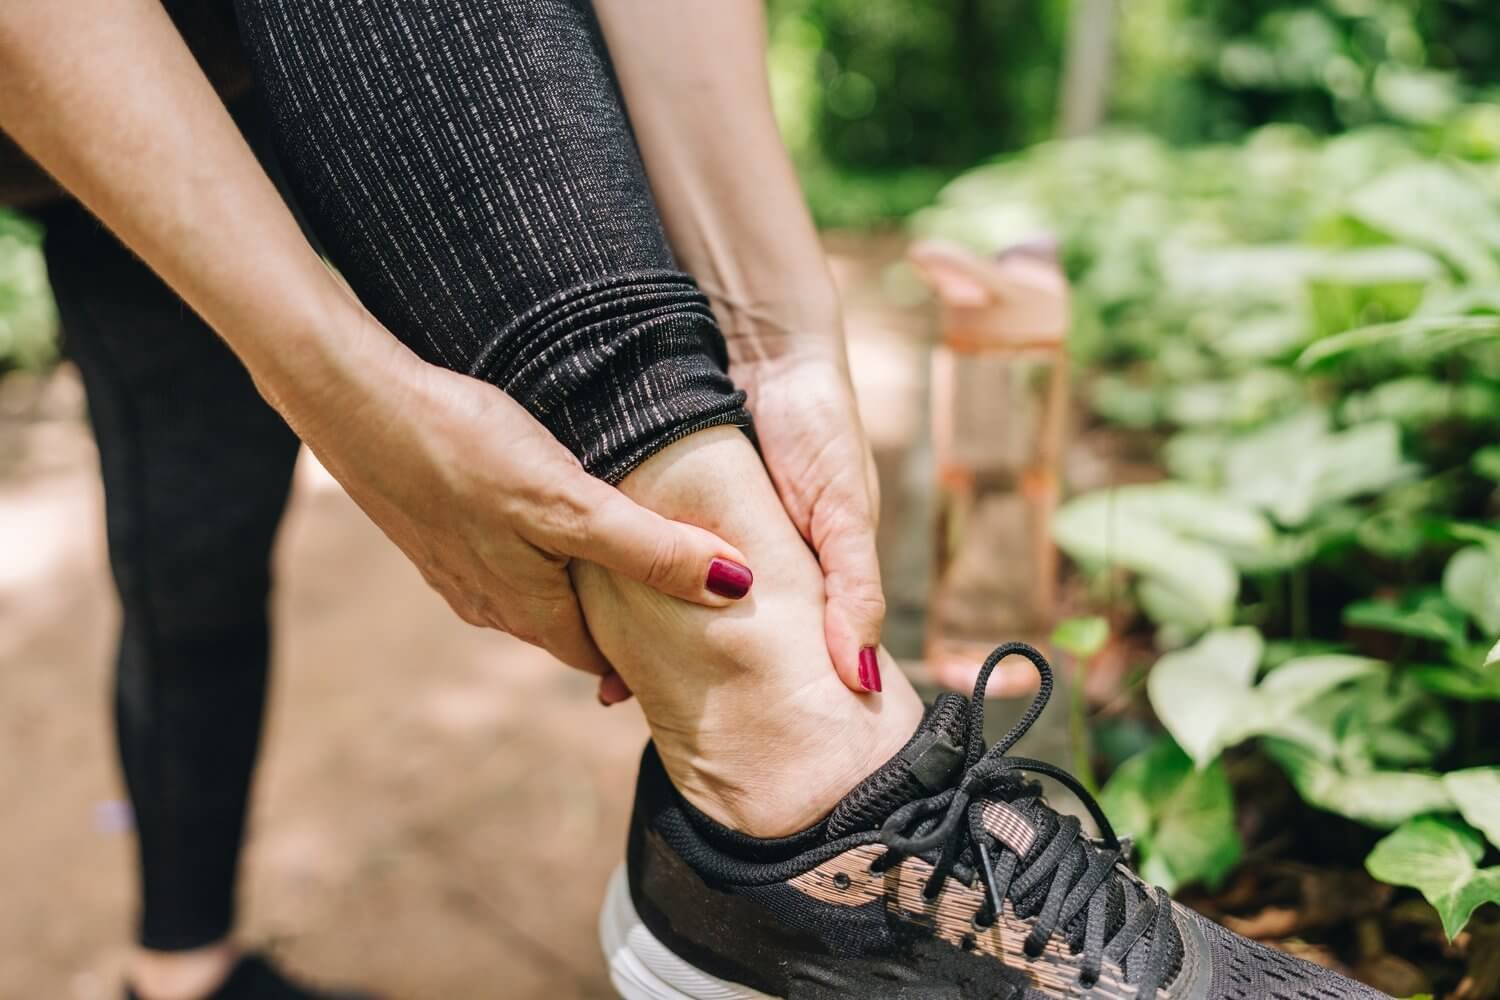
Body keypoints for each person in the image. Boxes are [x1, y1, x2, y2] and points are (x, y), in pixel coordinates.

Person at [0, 2, 1389, 999]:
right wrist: (329, 380)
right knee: (190, 564)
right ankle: (177, 969)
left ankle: (793, 789)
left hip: (400, 65)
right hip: (116, 97)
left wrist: (781, 326)